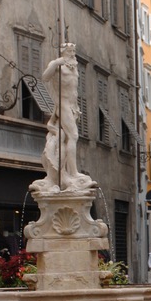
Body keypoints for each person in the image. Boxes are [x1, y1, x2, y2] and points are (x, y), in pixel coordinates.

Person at [31, 43, 96, 193]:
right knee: (73, 135)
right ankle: (72, 172)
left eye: (73, 50)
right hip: (64, 105)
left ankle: (68, 171)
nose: (72, 53)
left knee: (68, 138)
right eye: (70, 51)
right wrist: (55, 64)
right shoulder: (58, 65)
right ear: (64, 52)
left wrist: (77, 108)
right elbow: (45, 77)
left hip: (73, 107)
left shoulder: (74, 67)